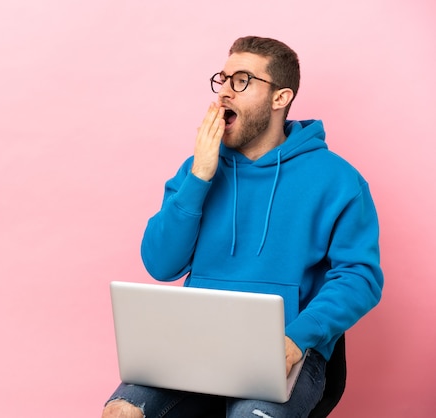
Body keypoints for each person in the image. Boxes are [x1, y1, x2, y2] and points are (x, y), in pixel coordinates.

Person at [102, 36, 384, 418]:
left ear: (280, 98)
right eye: (224, 79)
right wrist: (200, 176)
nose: (225, 94)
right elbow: (161, 265)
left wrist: (298, 338)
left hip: (285, 348)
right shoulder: (196, 169)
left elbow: (360, 276)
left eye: (242, 80)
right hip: (193, 344)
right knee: (122, 411)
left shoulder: (338, 180)